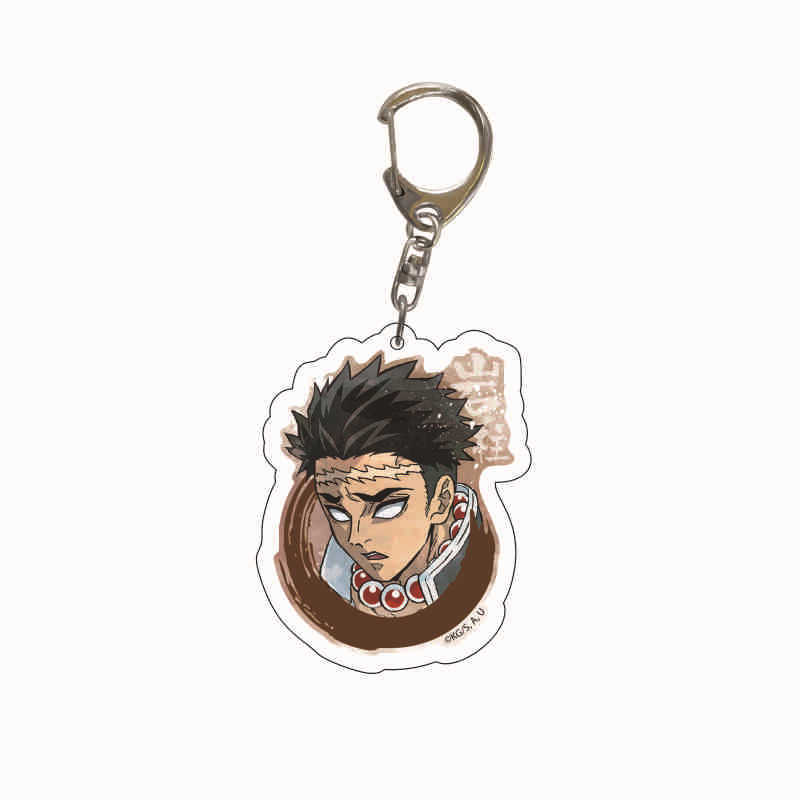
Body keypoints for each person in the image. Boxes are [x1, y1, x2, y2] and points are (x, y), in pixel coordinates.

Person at [285, 355, 483, 616]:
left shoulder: (479, 561)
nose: (356, 537)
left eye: (387, 509)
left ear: (440, 500)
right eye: (338, 513)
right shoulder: (335, 573)